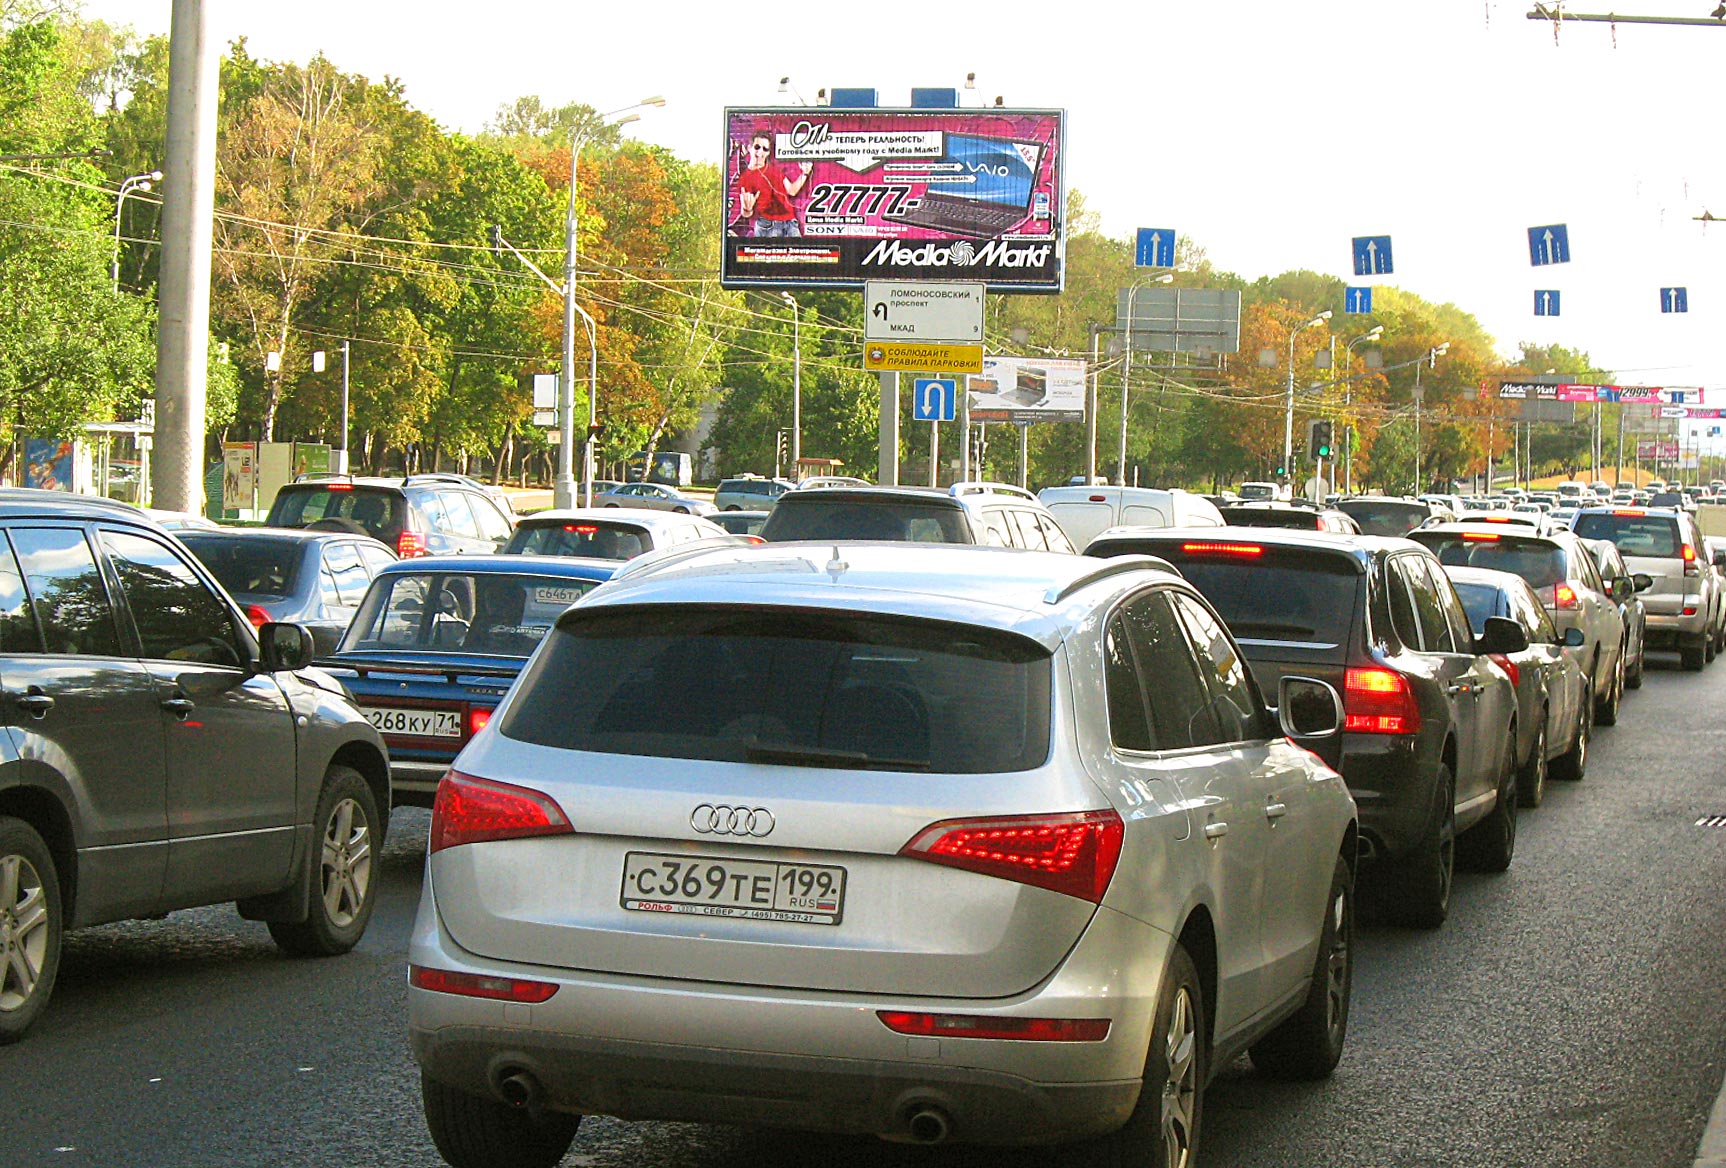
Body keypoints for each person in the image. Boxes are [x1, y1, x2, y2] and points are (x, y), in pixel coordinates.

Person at [735, 132, 811, 237]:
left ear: (768, 153)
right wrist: (747, 209)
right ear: (749, 148)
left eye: (765, 149)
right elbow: (746, 214)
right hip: (767, 225)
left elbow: (792, 191)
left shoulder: (775, 171)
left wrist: (805, 173)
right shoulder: (745, 178)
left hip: (790, 223)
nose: (760, 152)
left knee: (801, 253)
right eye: (757, 147)